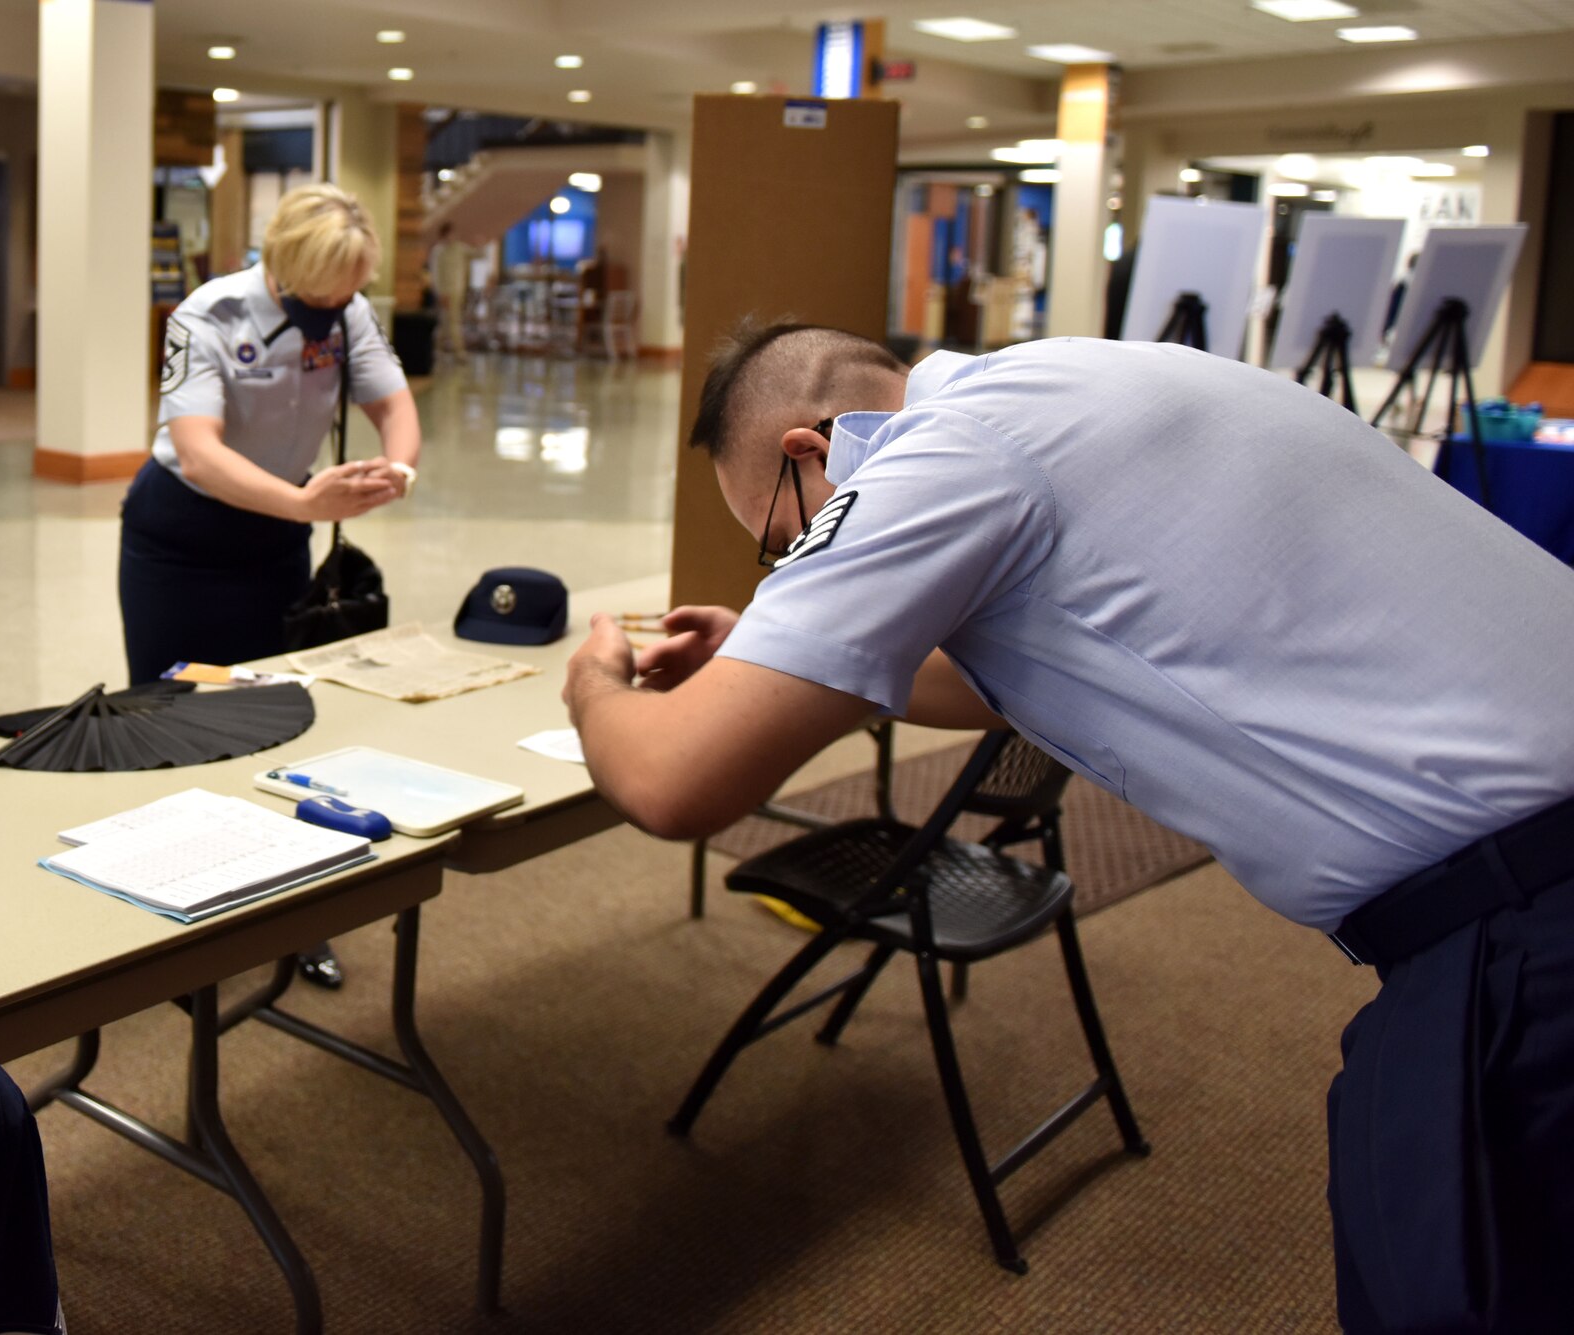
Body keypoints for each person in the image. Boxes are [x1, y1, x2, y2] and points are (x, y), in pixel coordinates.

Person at [562, 322, 1574, 1333]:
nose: (787, 568)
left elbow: (671, 784)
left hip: (1517, 926)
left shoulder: (938, 455)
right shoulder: (1087, 375)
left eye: (781, 547)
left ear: (807, 451)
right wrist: (773, 650)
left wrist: (594, 689)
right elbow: (1010, 670)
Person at [119, 183, 420, 988]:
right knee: (173, 722)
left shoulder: (349, 313)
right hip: (182, 540)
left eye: (350, 289)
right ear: (282, 263)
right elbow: (200, 447)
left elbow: (394, 401)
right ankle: (172, 938)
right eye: (323, 291)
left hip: (275, 540)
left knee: (272, 722)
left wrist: (400, 466)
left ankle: (285, 917)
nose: (337, 306)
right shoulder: (206, 317)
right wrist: (302, 503)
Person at [429, 221, 471, 358]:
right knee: (451, 321)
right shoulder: (438, 251)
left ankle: (437, 347)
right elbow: (436, 274)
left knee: (447, 321)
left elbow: (477, 253)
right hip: (445, 292)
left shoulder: (459, 248)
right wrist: (440, 293)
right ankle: (459, 351)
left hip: (457, 291)